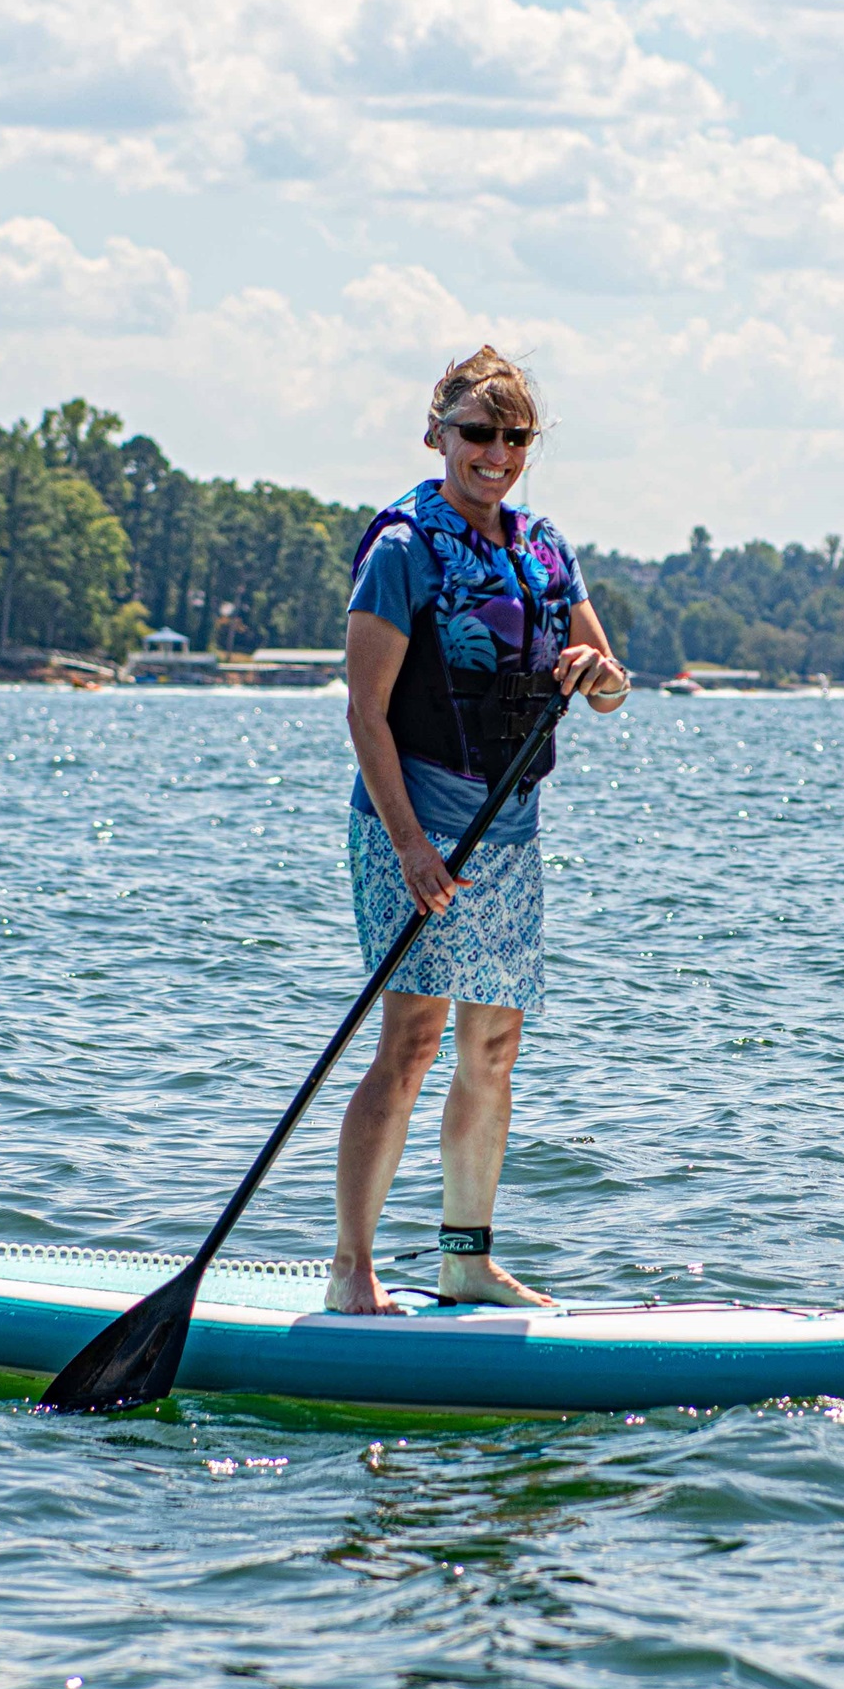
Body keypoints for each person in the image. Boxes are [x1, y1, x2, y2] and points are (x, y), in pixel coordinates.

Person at [325, 347, 634, 1315]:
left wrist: (596, 673)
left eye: (514, 437)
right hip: (409, 827)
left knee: (492, 1046)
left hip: (507, 834)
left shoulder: (542, 546)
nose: (495, 453)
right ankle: (352, 1272)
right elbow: (364, 714)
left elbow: (612, 688)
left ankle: (465, 1261)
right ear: (437, 435)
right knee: (411, 1041)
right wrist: (410, 846)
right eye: (476, 434)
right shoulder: (402, 547)